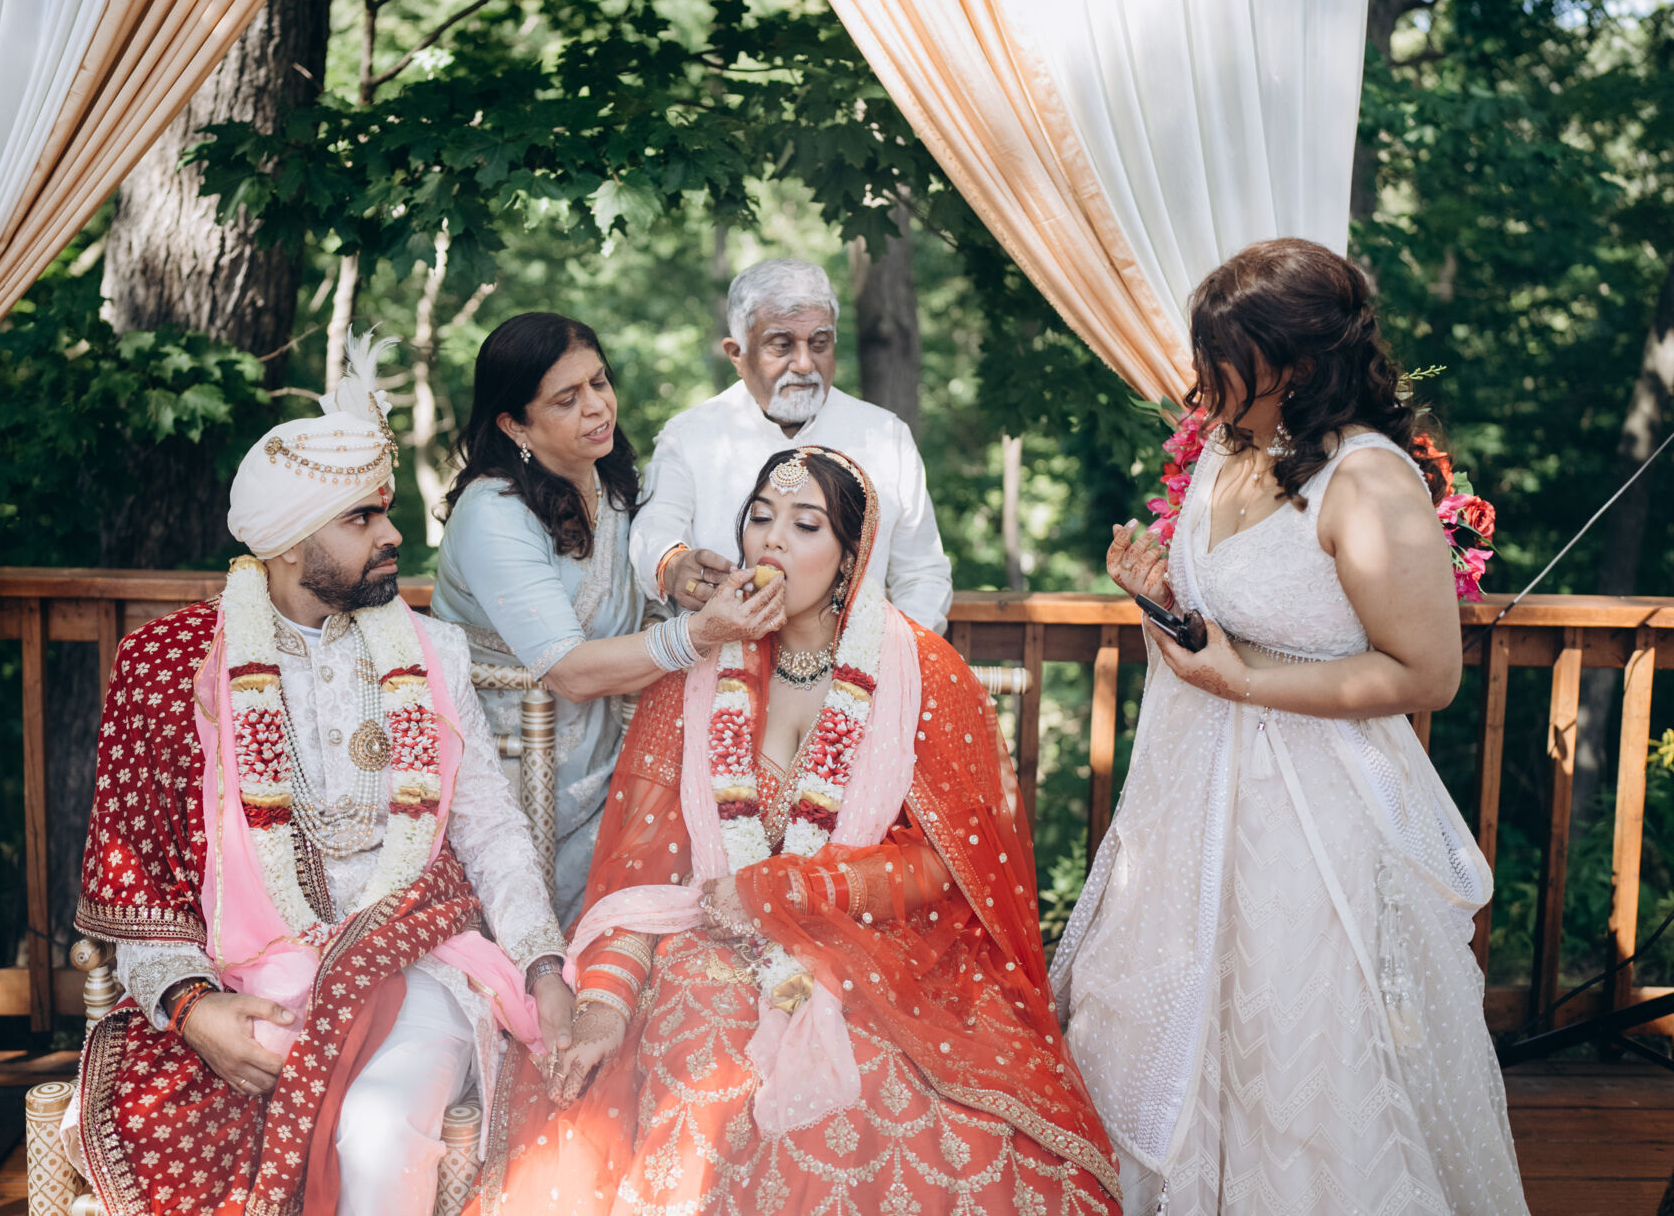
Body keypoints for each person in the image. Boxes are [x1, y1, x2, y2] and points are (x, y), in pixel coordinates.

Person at [468, 447, 1120, 1216]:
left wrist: (794, 887)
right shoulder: (692, 674)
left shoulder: (925, 673)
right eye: (760, 518)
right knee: (709, 1067)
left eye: (805, 524)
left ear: (851, 558)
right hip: (710, 940)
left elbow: (945, 865)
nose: (772, 539)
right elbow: (642, 875)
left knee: (881, 1080)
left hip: (877, 944)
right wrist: (607, 999)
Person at [1050, 239, 1527, 1214]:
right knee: (1174, 1019)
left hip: (1308, 811)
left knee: (1295, 1031)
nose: (1202, 381)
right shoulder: (1231, 446)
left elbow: (1428, 674)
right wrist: (1158, 595)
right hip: (1189, 790)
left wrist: (1247, 680)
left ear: (1297, 364)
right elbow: (1229, 617)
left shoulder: (1371, 481)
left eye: (1223, 359)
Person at [68, 338, 576, 1216]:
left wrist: (542, 964)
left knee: (376, 1131)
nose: (393, 535)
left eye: (386, 512)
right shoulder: (170, 667)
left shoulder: (433, 650)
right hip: (243, 974)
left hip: (418, 956)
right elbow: (142, 883)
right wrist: (192, 1010)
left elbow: (491, 830)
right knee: (190, 1121)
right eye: (361, 519)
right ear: (287, 543)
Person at [433, 312, 786, 919]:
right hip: (512, 777)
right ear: (514, 424)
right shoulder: (493, 512)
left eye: (599, 382)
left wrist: (676, 573)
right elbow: (569, 670)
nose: (597, 406)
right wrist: (701, 633)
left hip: (610, 761)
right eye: (566, 399)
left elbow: (640, 592)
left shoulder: (610, 483)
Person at [628, 257, 954, 632]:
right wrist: (671, 565)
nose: (803, 363)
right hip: (719, 659)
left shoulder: (885, 435)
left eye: (819, 343)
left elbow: (922, 574)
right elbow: (654, 530)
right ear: (737, 354)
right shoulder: (690, 436)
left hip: (857, 662)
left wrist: (899, 656)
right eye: (782, 345)